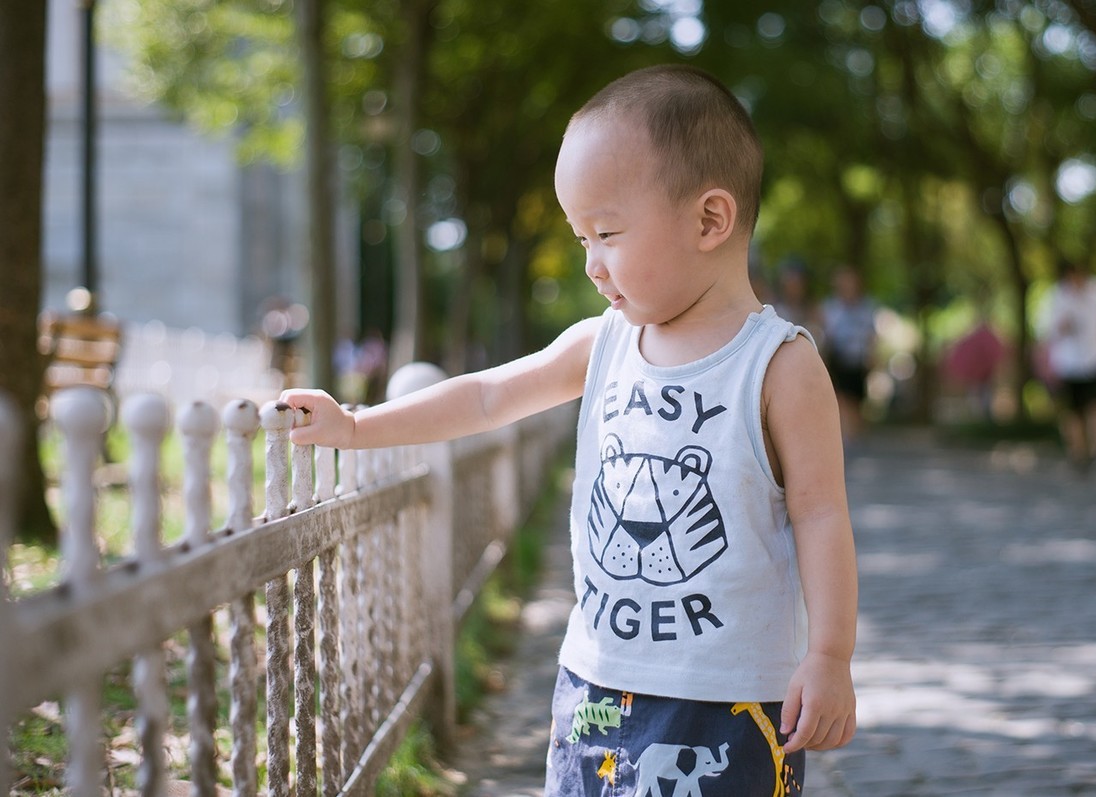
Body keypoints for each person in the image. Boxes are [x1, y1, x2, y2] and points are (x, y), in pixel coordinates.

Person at [281, 65, 857, 796]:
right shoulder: (603, 342)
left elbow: (821, 512)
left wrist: (831, 655)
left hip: (730, 697)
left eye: (608, 232)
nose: (590, 262)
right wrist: (359, 426)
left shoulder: (778, 364)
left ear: (710, 220)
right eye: (580, 235)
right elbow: (490, 397)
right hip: (595, 679)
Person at [1037, 261, 1096, 472]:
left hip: (1095, 360)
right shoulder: (1056, 298)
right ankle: (1078, 452)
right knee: (1072, 412)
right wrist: (1062, 327)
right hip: (1068, 364)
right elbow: (1046, 332)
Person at [819, 266, 876, 442]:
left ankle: (855, 435)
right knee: (842, 398)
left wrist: (872, 357)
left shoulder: (866, 307)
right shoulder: (830, 307)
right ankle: (847, 435)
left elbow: (871, 335)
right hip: (838, 359)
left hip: (858, 361)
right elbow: (825, 334)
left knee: (857, 400)